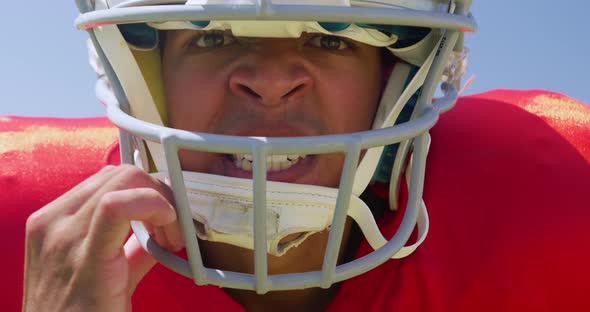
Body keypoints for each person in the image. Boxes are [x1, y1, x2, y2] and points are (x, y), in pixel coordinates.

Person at [2, 0, 588, 311]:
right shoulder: (21, 215)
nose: (270, 79)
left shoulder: (559, 202)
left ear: (395, 83)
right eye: (211, 36)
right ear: (146, 79)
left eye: (332, 37)